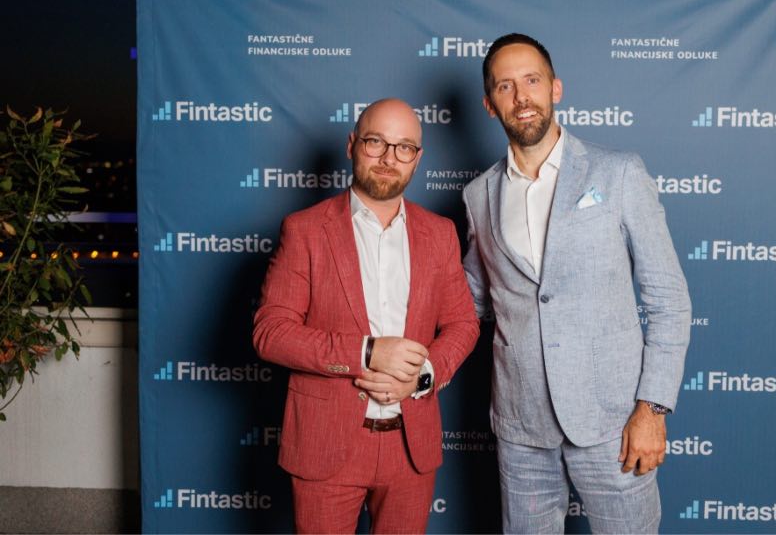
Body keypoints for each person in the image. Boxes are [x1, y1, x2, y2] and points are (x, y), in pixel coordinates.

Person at [462, 33, 691, 534]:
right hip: (521, 425)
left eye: (532, 81)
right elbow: (470, 301)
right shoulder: (478, 195)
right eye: (505, 86)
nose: (521, 97)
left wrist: (652, 408)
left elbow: (669, 300)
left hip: (614, 421)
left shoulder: (619, 173)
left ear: (556, 88)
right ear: (489, 104)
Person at [254, 98, 479, 534]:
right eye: (376, 142)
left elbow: (463, 324)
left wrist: (424, 375)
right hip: (326, 443)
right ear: (352, 145)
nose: (389, 158)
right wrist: (368, 352)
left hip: (410, 445)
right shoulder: (305, 229)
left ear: (417, 159)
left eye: (404, 147)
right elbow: (271, 332)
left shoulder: (439, 234)